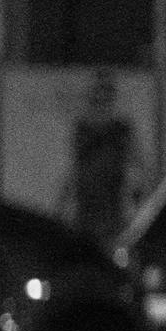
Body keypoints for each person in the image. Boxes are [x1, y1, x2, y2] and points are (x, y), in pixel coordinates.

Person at [63, 68, 136, 241]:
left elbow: (136, 163)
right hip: (87, 206)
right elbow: (76, 168)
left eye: (105, 91)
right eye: (97, 92)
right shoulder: (83, 128)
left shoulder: (121, 129)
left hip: (112, 207)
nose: (100, 97)